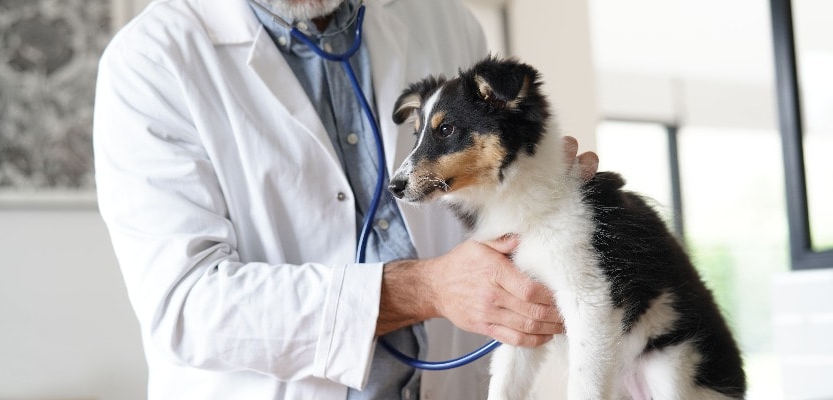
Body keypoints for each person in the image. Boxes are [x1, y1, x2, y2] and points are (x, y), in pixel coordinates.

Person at [93, 0, 597, 399]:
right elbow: (186, 307)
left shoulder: (443, 19)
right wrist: (426, 290)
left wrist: (536, 193)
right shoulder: (150, 61)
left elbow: (484, 199)